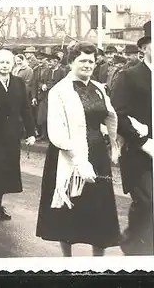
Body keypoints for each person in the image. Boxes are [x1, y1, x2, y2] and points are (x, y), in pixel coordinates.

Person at [36, 42, 121, 257]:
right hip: (68, 155)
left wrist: (114, 145)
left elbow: (106, 116)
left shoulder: (99, 88)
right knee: (70, 208)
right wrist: (78, 160)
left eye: (91, 61)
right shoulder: (60, 91)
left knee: (99, 208)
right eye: (82, 60)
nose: (87, 65)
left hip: (97, 154)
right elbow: (57, 129)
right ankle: (69, 262)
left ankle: (97, 263)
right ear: (71, 61)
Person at [110, 21, 154, 255]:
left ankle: (152, 245)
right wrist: (143, 142)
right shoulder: (128, 76)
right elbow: (118, 113)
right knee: (146, 200)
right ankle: (132, 244)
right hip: (138, 151)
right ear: (145, 47)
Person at [0, 50, 36, 221]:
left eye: (7, 63)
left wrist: (31, 132)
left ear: (13, 64)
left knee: (8, 170)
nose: (5, 66)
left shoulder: (18, 82)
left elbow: (25, 109)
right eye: (1, 62)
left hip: (12, 133)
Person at [36, 54, 67, 140]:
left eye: (51, 62)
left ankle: (54, 136)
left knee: (55, 117)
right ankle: (43, 135)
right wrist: (42, 85)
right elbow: (40, 82)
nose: (49, 63)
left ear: (56, 62)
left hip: (57, 98)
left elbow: (65, 85)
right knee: (43, 116)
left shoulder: (62, 72)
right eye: (48, 61)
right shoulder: (46, 71)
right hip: (45, 97)